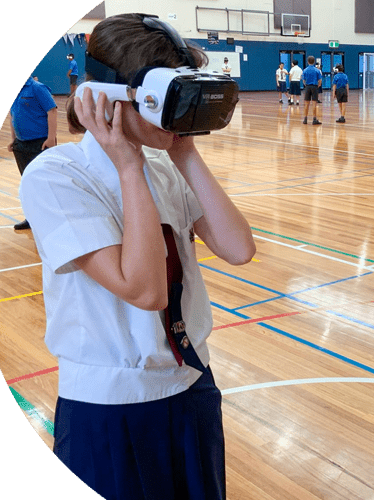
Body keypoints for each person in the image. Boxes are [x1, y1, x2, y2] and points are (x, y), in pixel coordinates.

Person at [19, 14, 256, 500]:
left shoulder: (166, 167)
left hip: (191, 384)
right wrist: (128, 165)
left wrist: (185, 152)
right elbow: (145, 289)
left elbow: (238, 248)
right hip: (111, 403)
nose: (180, 114)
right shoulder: (56, 176)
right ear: (110, 99)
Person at [9, 75, 58, 230]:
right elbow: (13, 116)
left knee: (45, 183)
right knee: (27, 183)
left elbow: (52, 111)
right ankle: (31, 218)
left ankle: (52, 219)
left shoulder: (37, 88)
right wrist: (13, 139)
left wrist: (51, 138)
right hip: (21, 144)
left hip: (40, 143)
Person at [302, 56, 322, 125]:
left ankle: (305, 119)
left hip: (307, 87)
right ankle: (314, 119)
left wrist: (306, 85)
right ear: (313, 62)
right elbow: (320, 80)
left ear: (308, 62)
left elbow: (303, 80)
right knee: (314, 104)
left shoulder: (305, 70)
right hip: (314, 87)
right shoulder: (317, 70)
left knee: (306, 104)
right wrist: (318, 85)